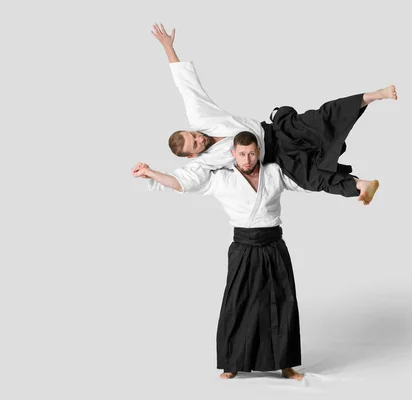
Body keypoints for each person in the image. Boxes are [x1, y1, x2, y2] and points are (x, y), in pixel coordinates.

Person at [148, 23, 397, 205]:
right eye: (196, 144)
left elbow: (186, 86)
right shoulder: (204, 163)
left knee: (322, 118)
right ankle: (360, 185)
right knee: (312, 180)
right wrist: (150, 173)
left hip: (278, 131)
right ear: (191, 154)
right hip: (277, 157)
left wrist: (168, 48)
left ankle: (373, 95)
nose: (200, 138)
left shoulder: (202, 118)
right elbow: (180, 182)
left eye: (194, 135)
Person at [132, 131, 312, 380]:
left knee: (282, 302)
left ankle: (286, 365)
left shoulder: (275, 172)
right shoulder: (221, 179)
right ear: (232, 154)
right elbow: (181, 184)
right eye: (241, 154)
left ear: (258, 151)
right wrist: (151, 173)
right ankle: (232, 362)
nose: (247, 159)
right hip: (243, 246)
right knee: (237, 303)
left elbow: (307, 181)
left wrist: (346, 184)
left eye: (251, 153)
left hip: (273, 245)